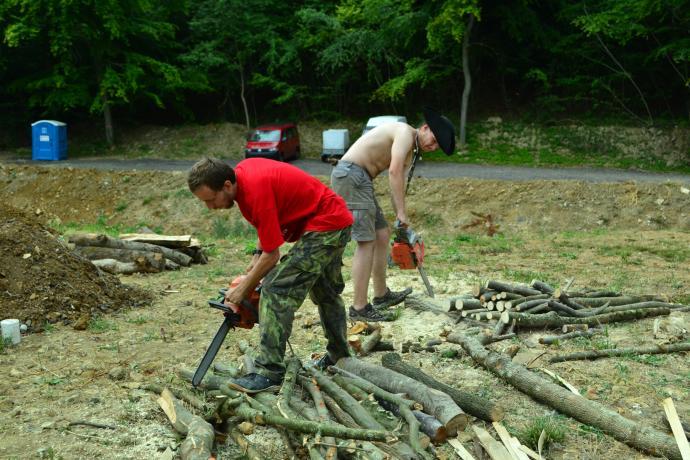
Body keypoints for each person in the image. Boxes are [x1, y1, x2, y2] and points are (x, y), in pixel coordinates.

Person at [188, 157, 353, 393]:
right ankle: (339, 355)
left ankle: (269, 371)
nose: (210, 207)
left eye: (211, 200)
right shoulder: (244, 179)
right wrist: (255, 260)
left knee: (275, 290)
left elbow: (272, 256)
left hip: (326, 225)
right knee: (325, 292)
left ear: (226, 185)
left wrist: (243, 290)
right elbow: (267, 230)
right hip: (332, 219)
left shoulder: (254, 190)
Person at [331, 108, 456, 321]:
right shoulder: (405, 133)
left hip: (361, 179)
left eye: (436, 146)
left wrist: (400, 220)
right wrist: (402, 213)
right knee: (366, 241)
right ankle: (358, 308)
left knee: (382, 234)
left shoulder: (411, 148)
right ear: (425, 128)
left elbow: (396, 184)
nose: (432, 147)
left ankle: (381, 295)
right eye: (433, 140)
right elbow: (394, 171)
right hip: (351, 175)